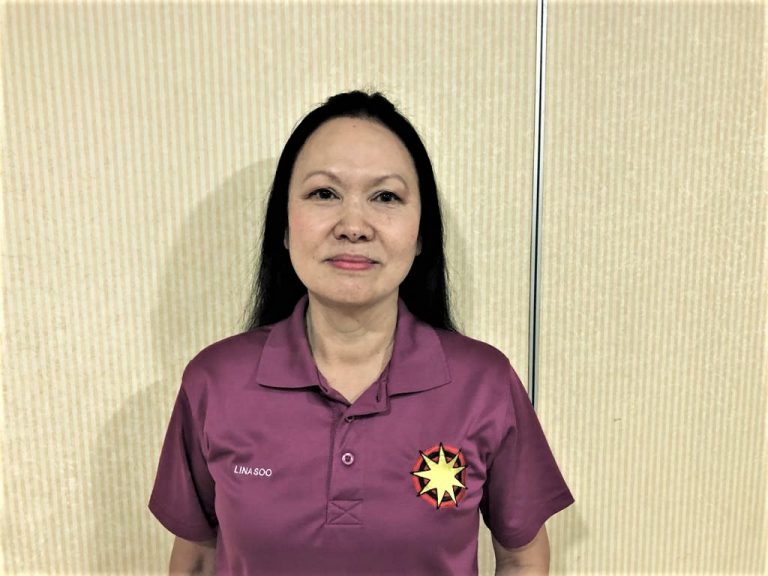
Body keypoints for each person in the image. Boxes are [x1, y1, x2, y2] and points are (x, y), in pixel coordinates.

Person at [148, 90, 574, 575]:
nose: (353, 226)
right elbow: (198, 556)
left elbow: (521, 558)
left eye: (386, 197)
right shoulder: (215, 381)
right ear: (284, 227)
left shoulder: (484, 383)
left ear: (421, 234)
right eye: (324, 194)